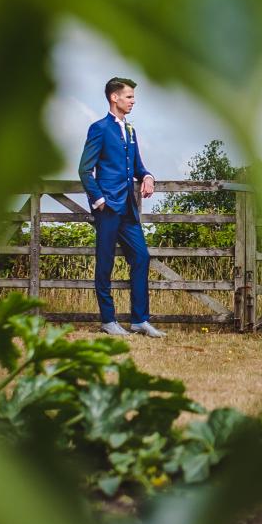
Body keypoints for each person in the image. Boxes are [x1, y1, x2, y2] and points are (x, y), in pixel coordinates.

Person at [79, 76, 163, 338]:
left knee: (141, 257)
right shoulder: (99, 128)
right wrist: (99, 200)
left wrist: (147, 176)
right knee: (105, 264)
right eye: (129, 96)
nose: (133, 101)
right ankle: (108, 320)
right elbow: (84, 170)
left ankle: (139, 321)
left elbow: (138, 167)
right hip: (107, 209)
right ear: (114, 97)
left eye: (133, 97)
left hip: (128, 208)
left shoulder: (130, 130)